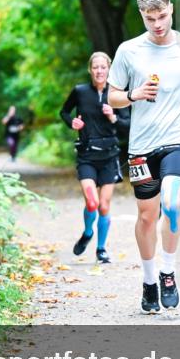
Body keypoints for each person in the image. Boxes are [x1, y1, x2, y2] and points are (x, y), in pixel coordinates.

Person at [107, 0, 180, 313]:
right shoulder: (128, 51)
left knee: (172, 204)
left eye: (162, 16)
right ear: (142, 16)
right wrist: (134, 95)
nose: (158, 24)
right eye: (150, 19)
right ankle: (149, 281)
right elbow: (113, 96)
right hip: (141, 144)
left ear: (171, 9)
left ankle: (168, 272)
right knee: (147, 216)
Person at [60, 52, 131, 264]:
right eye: (95, 67)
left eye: (103, 67)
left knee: (104, 206)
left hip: (109, 157)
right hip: (87, 156)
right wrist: (72, 122)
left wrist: (113, 117)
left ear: (109, 69)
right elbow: (64, 112)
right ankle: (88, 232)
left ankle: (101, 249)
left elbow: (127, 126)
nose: (99, 71)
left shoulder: (118, 95)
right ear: (90, 70)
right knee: (92, 202)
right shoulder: (80, 92)